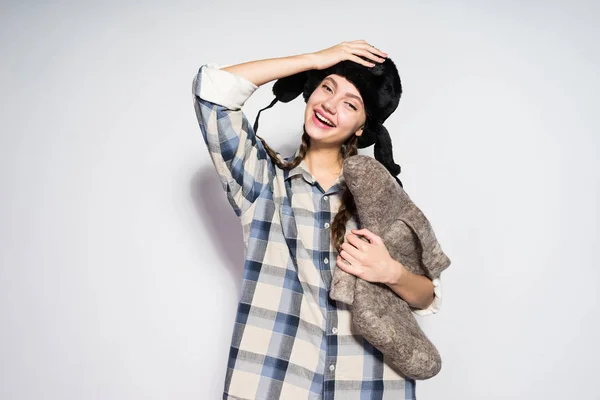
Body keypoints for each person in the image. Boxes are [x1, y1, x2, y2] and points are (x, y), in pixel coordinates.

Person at [192, 40, 442, 400]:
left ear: (361, 126)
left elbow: (427, 296)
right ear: (310, 92)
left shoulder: (382, 199)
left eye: (350, 103)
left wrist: (391, 273)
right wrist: (314, 60)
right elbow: (213, 92)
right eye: (327, 87)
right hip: (276, 381)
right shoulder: (262, 181)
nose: (330, 105)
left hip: (372, 384)